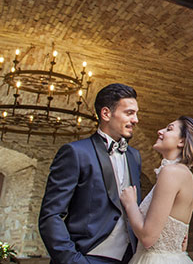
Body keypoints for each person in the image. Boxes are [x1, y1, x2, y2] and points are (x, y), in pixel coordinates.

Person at [39, 83, 141, 264]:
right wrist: (72, 260)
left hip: (128, 258)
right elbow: (51, 215)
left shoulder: (134, 156)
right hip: (85, 256)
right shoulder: (75, 152)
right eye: (129, 113)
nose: (136, 120)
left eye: (136, 113)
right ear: (106, 114)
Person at [120, 116, 193, 264]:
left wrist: (130, 204)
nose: (160, 131)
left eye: (169, 129)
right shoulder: (187, 176)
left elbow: (148, 238)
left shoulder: (170, 172)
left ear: (182, 141)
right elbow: (181, 241)